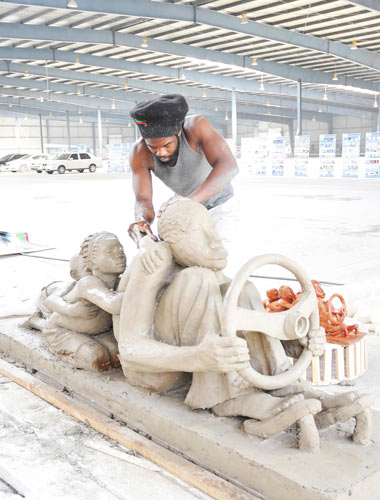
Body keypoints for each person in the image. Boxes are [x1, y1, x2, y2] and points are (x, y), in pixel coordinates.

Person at [117, 199, 372, 449]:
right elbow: (130, 349)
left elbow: (232, 317)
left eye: (213, 231)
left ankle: (283, 384)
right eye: (201, 233)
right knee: (198, 279)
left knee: (242, 289)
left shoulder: (203, 261)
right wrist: (196, 357)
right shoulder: (156, 259)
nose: (215, 242)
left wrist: (296, 338)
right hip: (154, 373)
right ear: (174, 241)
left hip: (192, 356)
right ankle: (225, 397)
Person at [128, 94, 239, 270]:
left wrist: (191, 201)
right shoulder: (139, 152)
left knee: (217, 263)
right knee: (177, 266)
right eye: (153, 147)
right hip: (186, 208)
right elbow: (143, 200)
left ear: (178, 132)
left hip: (219, 206)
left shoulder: (196, 127)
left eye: (167, 145)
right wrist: (141, 222)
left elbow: (229, 165)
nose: (161, 153)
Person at [24, 232, 127, 372]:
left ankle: (37, 322)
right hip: (63, 330)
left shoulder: (119, 283)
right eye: (110, 252)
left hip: (99, 331)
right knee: (98, 358)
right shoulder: (88, 284)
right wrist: (71, 309)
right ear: (91, 264)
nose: (119, 254)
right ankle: (41, 326)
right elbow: (114, 305)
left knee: (117, 355)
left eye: (121, 249)